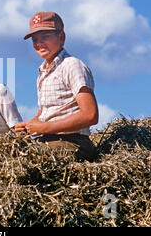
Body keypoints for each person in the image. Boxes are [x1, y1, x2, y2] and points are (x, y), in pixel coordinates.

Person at [14, 12, 99, 161]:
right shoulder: (43, 72)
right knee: (10, 155)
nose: (39, 43)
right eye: (35, 39)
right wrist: (28, 126)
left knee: (31, 161)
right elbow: (45, 113)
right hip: (48, 140)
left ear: (61, 37)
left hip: (72, 142)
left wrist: (43, 128)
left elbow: (90, 115)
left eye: (45, 37)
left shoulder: (72, 65)